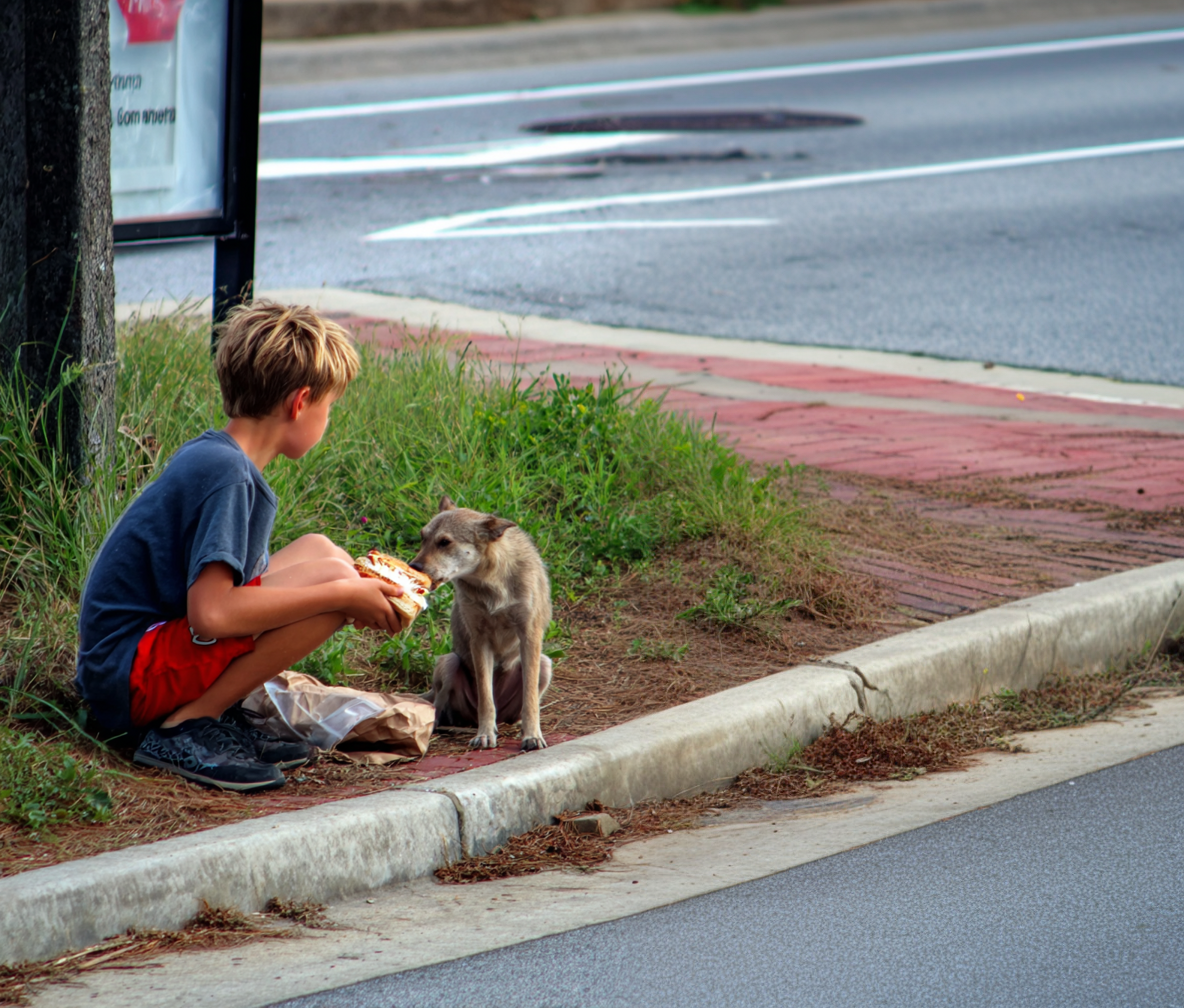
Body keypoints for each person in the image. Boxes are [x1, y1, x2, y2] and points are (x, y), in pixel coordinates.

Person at [76, 302, 406, 792]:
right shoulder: (229, 476)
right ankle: (187, 725)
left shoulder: (219, 455)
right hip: (129, 678)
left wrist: (348, 584)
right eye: (329, 406)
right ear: (300, 403)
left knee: (326, 553)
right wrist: (343, 598)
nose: (328, 417)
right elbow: (211, 616)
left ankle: (205, 711)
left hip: (127, 658)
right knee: (337, 588)